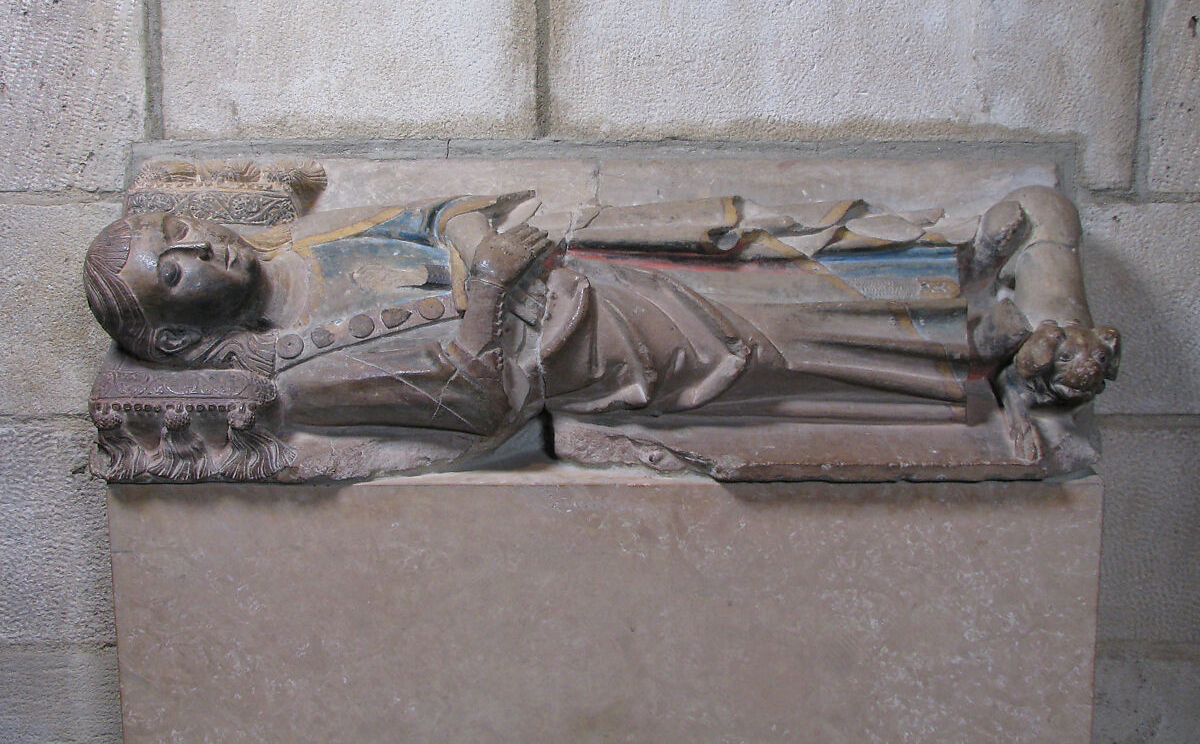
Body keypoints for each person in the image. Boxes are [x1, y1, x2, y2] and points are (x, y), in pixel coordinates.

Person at [83, 186, 1118, 479]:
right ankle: (979, 373)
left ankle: (961, 283)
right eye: (170, 273)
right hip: (585, 352)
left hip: (583, 265)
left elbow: (438, 212)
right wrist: (487, 282)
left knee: (774, 257)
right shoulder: (291, 376)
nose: (200, 253)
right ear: (175, 334)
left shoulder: (314, 249)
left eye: (182, 233)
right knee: (769, 351)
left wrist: (468, 233)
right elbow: (477, 404)